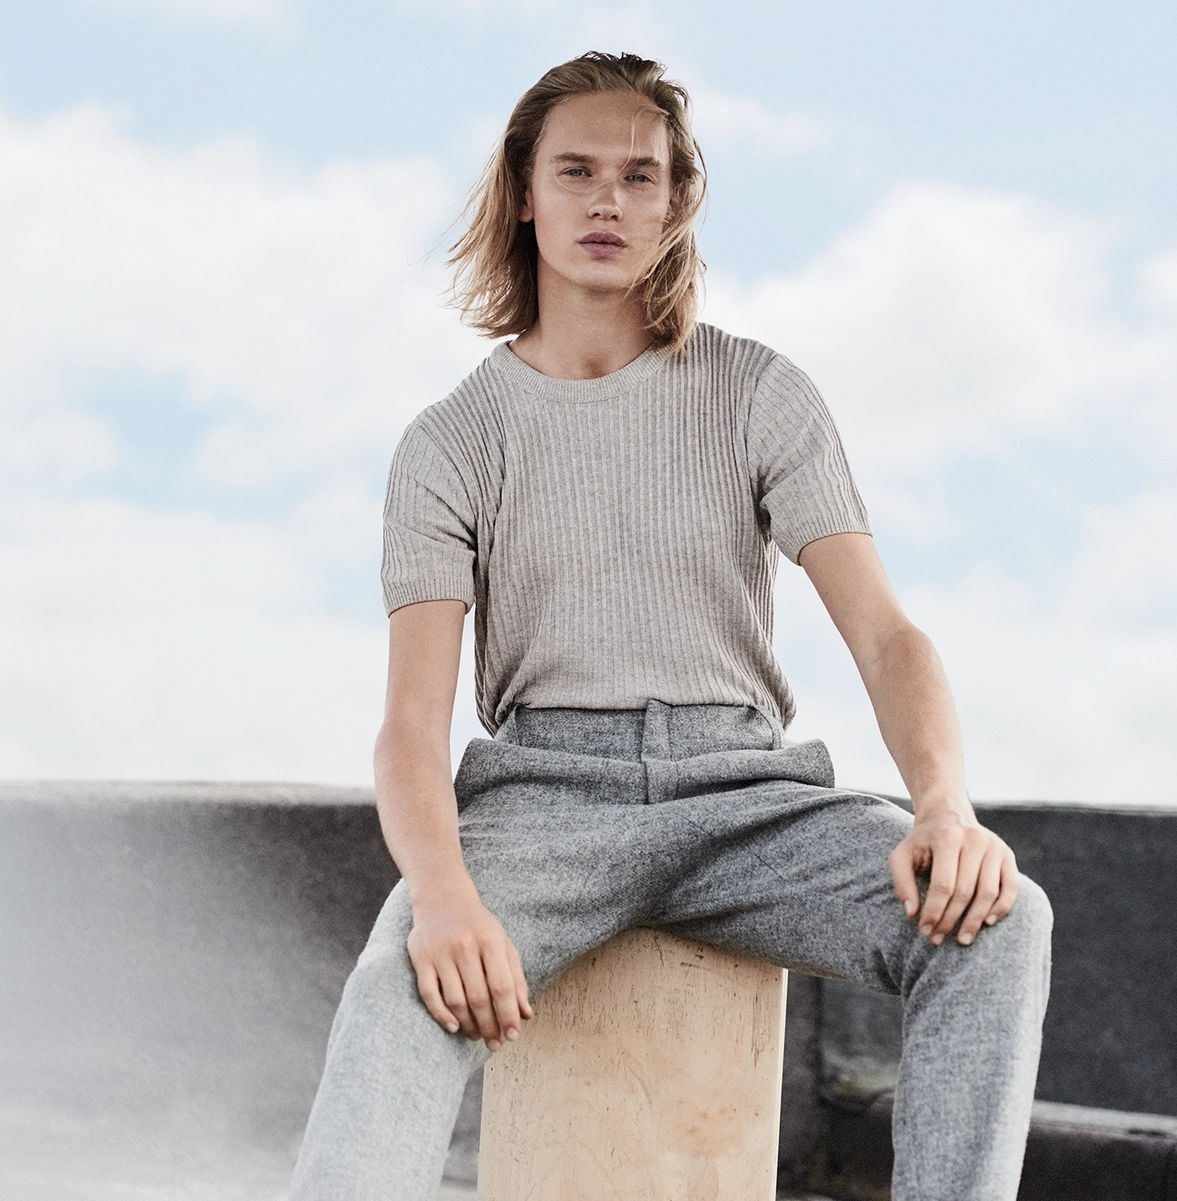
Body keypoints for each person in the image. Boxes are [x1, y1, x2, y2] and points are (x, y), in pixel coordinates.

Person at [288, 50, 1052, 1201]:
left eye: (639, 175)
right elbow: (409, 724)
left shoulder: (759, 393)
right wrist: (445, 900)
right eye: (577, 170)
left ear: (678, 200)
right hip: (544, 801)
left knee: (998, 922)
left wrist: (944, 806)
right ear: (524, 189)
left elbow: (889, 637)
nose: (607, 200)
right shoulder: (452, 441)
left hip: (749, 798)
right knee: (401, 980)